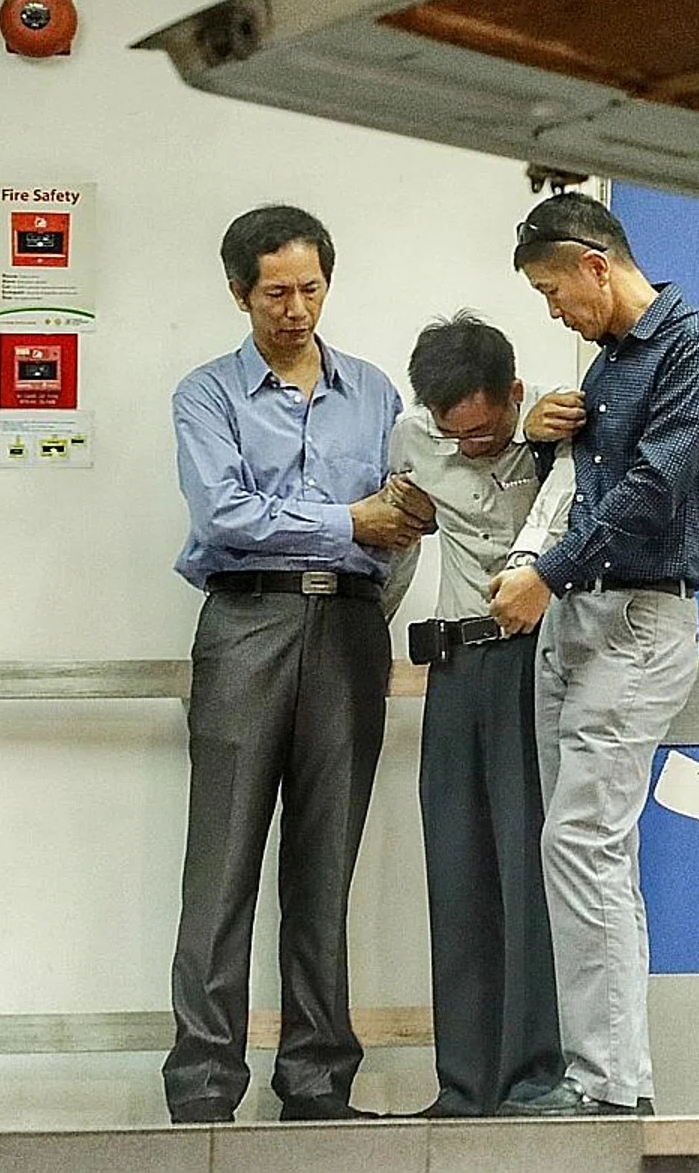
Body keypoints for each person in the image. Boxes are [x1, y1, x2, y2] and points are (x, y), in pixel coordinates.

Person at [164, 205, 430, 1124]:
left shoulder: (376, 393)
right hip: (246, 621)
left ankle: (317, 1082)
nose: (296, 309)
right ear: (240, 293)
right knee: (223, 865)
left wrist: (365, 591)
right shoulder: (207, 394)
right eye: (276, 292)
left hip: (350, 628)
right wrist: (347, 525)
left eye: (311, 289)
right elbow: (226, 517)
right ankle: (202, 1085)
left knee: (326, 870)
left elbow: (404, 522)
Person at [487, 192, 699, 1117]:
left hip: (636, 621)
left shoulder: (698, 348)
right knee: (595, 857)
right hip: (576, 623)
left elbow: (654, 491)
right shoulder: (603, 369)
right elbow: (578, 486)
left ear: (598, 263)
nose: (553, 311)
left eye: (556, 290)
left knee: (581, 843)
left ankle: (604, 1088)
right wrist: (545, 432)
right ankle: (610, 1079)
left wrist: (546, 576)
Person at [388, 311, 575, 1117]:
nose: (467, 442)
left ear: (514, 395)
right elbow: (402, 504)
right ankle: (462, 1085)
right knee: (456, 873)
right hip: (452, 669)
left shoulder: (558, 442)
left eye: (483, 428)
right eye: (451, 432)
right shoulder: (410, 438)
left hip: (531, 664)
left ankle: (534, 1077)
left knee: (528, 872)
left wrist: (529, 443)